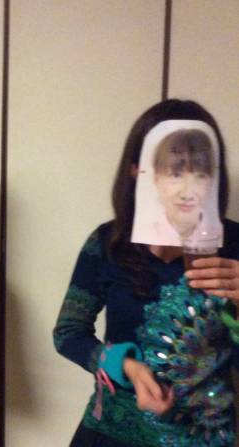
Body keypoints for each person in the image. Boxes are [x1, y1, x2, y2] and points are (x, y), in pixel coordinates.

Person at [53, 99, 239, 447]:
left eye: (201, 172)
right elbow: (68, 333)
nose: (188, 188)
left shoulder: (234, 247)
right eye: (175, 171)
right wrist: (126, 366)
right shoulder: (108, 243)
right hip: (112, 431)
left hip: (205, 437)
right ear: (138, 171)